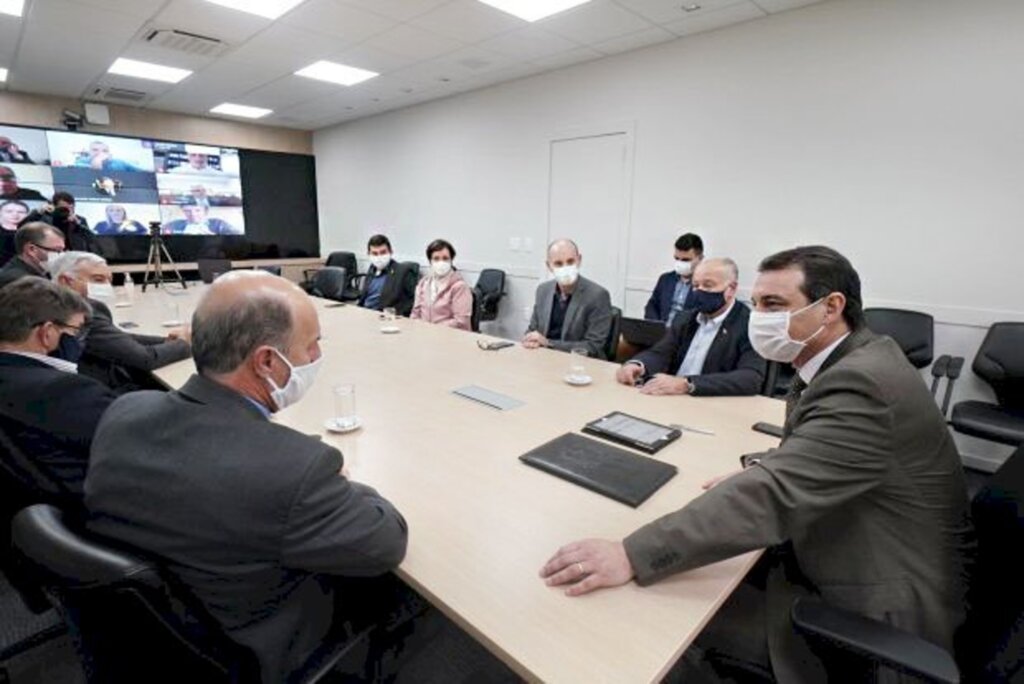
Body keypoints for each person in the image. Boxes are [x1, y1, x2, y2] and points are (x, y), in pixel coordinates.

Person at [539, 246, 974, 683]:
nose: (759, 316)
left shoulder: (863, 381)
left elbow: (775, 495)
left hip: (873, 603)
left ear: (831, 308)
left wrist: (631, 553)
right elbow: (831, 449)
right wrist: (770, 463)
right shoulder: (853, 359)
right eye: (759, 302)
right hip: (851, 543)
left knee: (648, 622)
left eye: (774, 305)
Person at [84, 271, 408, 683]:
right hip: (255, 643)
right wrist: (338, 476)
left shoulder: (124, 411)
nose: (317, 355)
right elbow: (386, 541)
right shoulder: (294, 470)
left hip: (146, 639)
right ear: (267, 361)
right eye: (312, 345)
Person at [0, 278, 117, 503]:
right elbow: (139, 440)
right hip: (87, 512)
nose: (79, 340)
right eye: (76, 331)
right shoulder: (66, 390)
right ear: (48, 333)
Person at [617, 258, 765, 397]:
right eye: (695, 285)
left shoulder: (748, 324)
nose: (699, 291)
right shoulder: (686, 318)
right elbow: (661, 352)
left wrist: (688, 384)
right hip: (671, 398)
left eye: (708, 285)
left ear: (731, 289)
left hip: (709, 402)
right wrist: (637, 365)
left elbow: (751, 378)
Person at [50, 251, 191, 392]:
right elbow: (145, 359)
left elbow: (118, 337)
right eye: (98, 280)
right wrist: (184, 343)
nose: (106, 287)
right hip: (106, 393)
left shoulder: (50, 303)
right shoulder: (82, 312)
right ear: (65, 281)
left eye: (109, 281)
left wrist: (165, 341)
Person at [523, 239, 612, 358]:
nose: (565, 268)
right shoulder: (543, 290)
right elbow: (533, 329)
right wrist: (530, 339)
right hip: (544, 359)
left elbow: (593, 346)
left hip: (582, 365)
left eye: (570, 262)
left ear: (579, 260)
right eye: (558, 264)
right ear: (549, 266)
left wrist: (548, 343)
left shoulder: (598, 295)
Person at [409, 239, 472, 330]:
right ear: (430, 261)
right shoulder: (423, 284)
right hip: (424, 335)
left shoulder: (460, 287)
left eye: (445, 258)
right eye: (436, 258)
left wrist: (432, 328)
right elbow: (415, 313)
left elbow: (461, 321)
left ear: (451, 260)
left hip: (451, 337)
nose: (441, 262)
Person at [645, 232, 703, 324]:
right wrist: (655, 327)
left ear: (700, 258)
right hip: (661, 332)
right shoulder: (665, 279)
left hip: (685, 335)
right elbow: (652, 305)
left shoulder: (704, 285)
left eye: (686, 260)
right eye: (677, 258)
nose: (680, 263)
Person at [23, 192, 101, 255]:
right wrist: (38, 212)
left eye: (71, 208)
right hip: (51, 256)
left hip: (74, 257)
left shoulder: (79, 220)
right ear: (54, 206)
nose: (67, 211)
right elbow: (22, 228)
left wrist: (78, 224)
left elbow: (91, 239)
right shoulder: (44, 218)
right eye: (63, 208)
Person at [358, 234, 417, 317]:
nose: (379, 257)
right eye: (374, 253)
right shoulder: (372, 269)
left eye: (383, 252)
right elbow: (364, 297)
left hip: (384, 318)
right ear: (369, 254)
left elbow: (412, 301)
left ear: (391, 252)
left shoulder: (403, 271)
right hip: (364, 314)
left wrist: (396, 313)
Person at [0, 222, 65, 289]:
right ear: (32, 250)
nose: (62, 255)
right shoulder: (20, 281)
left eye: (63, 250)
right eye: (57, 250)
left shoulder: (43, 274)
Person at [162, 201, 240, 235]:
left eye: (197, 210)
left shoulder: (218, 224)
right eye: (187, 211)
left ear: (205, 211)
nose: (193, 214)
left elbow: (238, 235)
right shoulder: (174, 224)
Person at [75, 140, 142, 172]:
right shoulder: (80, 163)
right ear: (89, 152)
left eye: (104, 151)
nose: (100, 153)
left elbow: (143, 172)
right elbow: (96, 172)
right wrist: (99, 159)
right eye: (95, 150)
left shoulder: (119, 163)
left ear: (109, 153)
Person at [0, 199, 30, 265]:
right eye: (9, 211)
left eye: (21, 212)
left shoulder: (31, 233)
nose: (15, 214)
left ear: (27, 215)